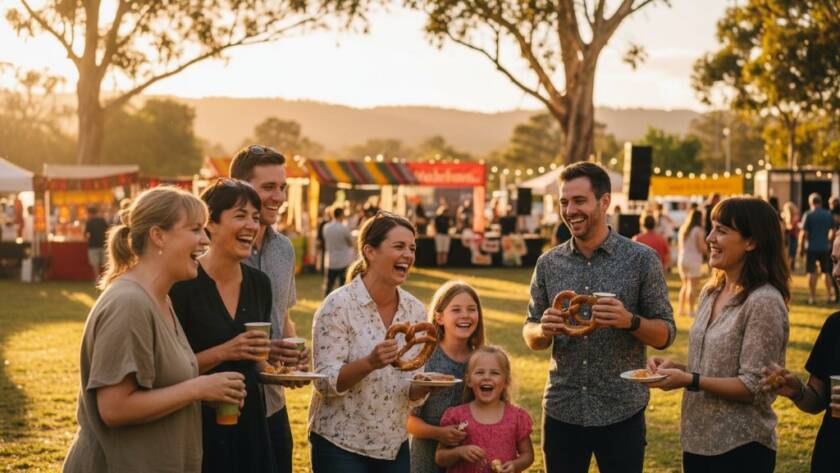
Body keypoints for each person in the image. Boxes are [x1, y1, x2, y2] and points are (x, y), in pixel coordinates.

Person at [62, 187, 246, 473]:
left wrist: (210, 392)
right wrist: (197, 388)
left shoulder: (161, 298)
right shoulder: (128, 303)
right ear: (158, 236)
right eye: (195, 229)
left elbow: (163, 382)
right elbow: (114, 408)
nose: (204, 239)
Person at [522, 162, 675, 473]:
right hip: (562, 409)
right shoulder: (548, 263)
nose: (570, 210)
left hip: (622, 410)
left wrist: (629, 321)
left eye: (579, 201)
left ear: (604, 201)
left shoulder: (642, 260)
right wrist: (543, 330)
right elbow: (530, 331)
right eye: (564, 202)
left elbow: (665, 334)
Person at [647, 197, 790, 473]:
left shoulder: (763, 301)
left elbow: (753, 386)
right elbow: (714, 370)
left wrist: (690, 379)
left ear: (751, 242)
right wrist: (678, 369)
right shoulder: (710, 293)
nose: (710, 238)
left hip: (740, 447)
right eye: (712, 228)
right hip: (698, 441)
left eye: (722, 231)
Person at [309, 212, 439, 472]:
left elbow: (408, 387)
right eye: (399, 246)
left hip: (393, 444)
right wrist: (370, 362)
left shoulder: (414, 309)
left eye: (412, 248)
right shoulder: (338, 305)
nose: (408, 255)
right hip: (341, 445)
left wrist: (424, 388)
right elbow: (325, 383)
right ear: (370, 251)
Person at [169, 180, 283, 473]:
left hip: (251, 425)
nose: (251, 225)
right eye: (240, 215)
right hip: (197, 425)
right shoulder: (183, 285)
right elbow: (170, 372)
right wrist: (225, 351)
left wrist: (277, 368)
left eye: (256, 218)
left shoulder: (260, 284)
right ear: (211, 224)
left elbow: (255, 364)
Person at [229, 145, 309, 473]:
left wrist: (294, 355)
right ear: (241, 189)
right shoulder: (217, 248)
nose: (278, 196)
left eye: (282, 187)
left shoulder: (284, 248)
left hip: (273, 402)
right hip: (230, 399)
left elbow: (283, 316)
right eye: (268, 187)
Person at [761, 231, 840, 473]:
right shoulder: (834, 326)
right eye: (835, 261)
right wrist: (797, 391)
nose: (836, 272)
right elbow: (817, 400)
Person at [409, 281, 486, 473]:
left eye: (471, 309)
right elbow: (407, 420)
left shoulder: (482, 360)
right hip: (425, 460)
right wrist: (439, 434)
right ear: (439, 317)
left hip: (469, 459)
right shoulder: (426, 358)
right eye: (456, 310)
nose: (465, 315)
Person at [435, 346, 534, 473]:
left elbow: (528, 455)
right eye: (480, 372)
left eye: (495, 373)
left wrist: (515, 466)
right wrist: (459, 452)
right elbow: (440, 457)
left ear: (506, 382)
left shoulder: (517, 417)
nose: (487, 377)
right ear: (469, 380)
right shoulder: (457, 416)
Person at [799, 193, 834, 305]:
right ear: (821, 202)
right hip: (825, 247)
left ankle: (812, 297)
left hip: (811, 248)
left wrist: (801, 247)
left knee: (811, 272)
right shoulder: (828, 214)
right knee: (826, 272)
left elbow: (803, 233)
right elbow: (833, 230)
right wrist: (829, 241)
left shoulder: (808, 214)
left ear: (811, 202)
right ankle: (829, 296)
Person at [677, 209, 708, 317]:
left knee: (684, 285)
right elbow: (701, 247)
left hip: (682, 259)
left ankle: (681, 309)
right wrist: (709, 250)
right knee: (692, 286)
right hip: (694, 259)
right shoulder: (698, 230)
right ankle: (690, 310)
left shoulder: (683, 229)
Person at [323, 206, 354, 296]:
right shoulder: (344, 228)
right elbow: (350, 243)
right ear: (341, 215)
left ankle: (325, 304)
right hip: (343, 260)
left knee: (329, 285)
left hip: (331, 260)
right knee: (343, 287)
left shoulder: (326, 227)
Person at [84, 206, 109, 282]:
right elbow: (108, 231)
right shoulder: (102, 220)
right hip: (103, 244)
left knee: (95, 265)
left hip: (93, 246)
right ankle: (105, 280)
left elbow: (85, 234)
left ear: (90, 213)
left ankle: (97, 280)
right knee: (105, 265)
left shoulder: (89, 222)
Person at [782, 202, 800, 271]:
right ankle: (788, 269)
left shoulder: (783, 216)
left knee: (788, 255)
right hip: (792, 237)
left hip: (788, 238)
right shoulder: (794, 217)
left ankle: (787, 269)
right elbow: (792, 227)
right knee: (791, 255)